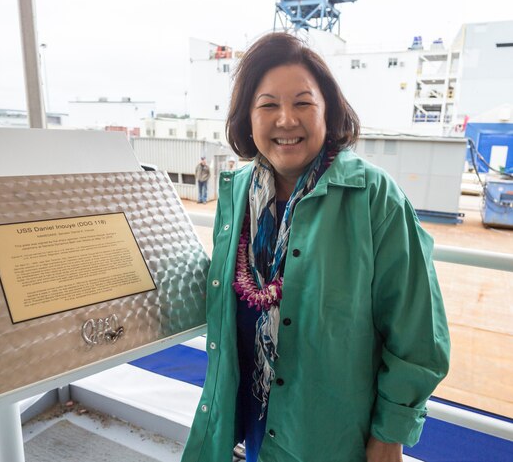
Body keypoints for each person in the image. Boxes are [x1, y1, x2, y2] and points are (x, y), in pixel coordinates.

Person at [181, 32, 450, 462]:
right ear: (247, 118)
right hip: (254, 423)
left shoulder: (374, 197)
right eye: (268, 105)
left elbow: (417, 331)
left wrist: (390, 435)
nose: (286, 120)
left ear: (328, 112)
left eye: (303, 103)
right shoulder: (238, 194)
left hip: (328, 437)